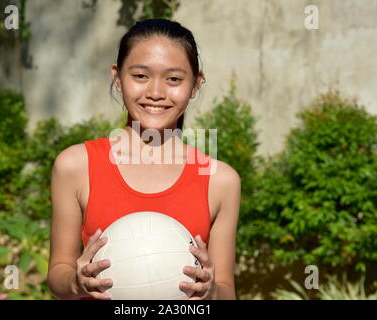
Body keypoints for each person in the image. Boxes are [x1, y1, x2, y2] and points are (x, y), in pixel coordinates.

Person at [46, 19, 241, 300]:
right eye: (140, 76)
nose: (156, 93)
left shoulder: (220, 180)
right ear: (117, 77)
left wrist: (212, 292)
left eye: (174, 79)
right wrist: (75, 283)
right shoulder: (75, 166)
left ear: (196, 84)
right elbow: (58, 270)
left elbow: (226, 290)